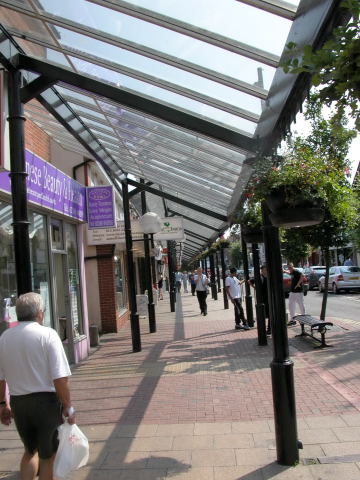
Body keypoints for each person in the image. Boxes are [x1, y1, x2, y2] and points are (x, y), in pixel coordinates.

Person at [0, 292, 75, 480]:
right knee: (47, 456)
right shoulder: (48, 335)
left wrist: (3, 404)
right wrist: (68, 406)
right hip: (46, 403)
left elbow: (1, 377)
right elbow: (60, 378)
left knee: (29, 450)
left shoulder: (5, 338)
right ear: (40, 313)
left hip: (19, 403)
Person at [249, 265, 271, 334]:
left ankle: (269, 329)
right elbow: (249, 281)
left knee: (270, 314)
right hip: (262, 299)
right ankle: (263, 329)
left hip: (269, 298)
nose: (265, 271)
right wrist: (255, 288)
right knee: (263, 314)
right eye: (263, 270)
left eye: (265, 269)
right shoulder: (260, 277)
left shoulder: (269, 276)